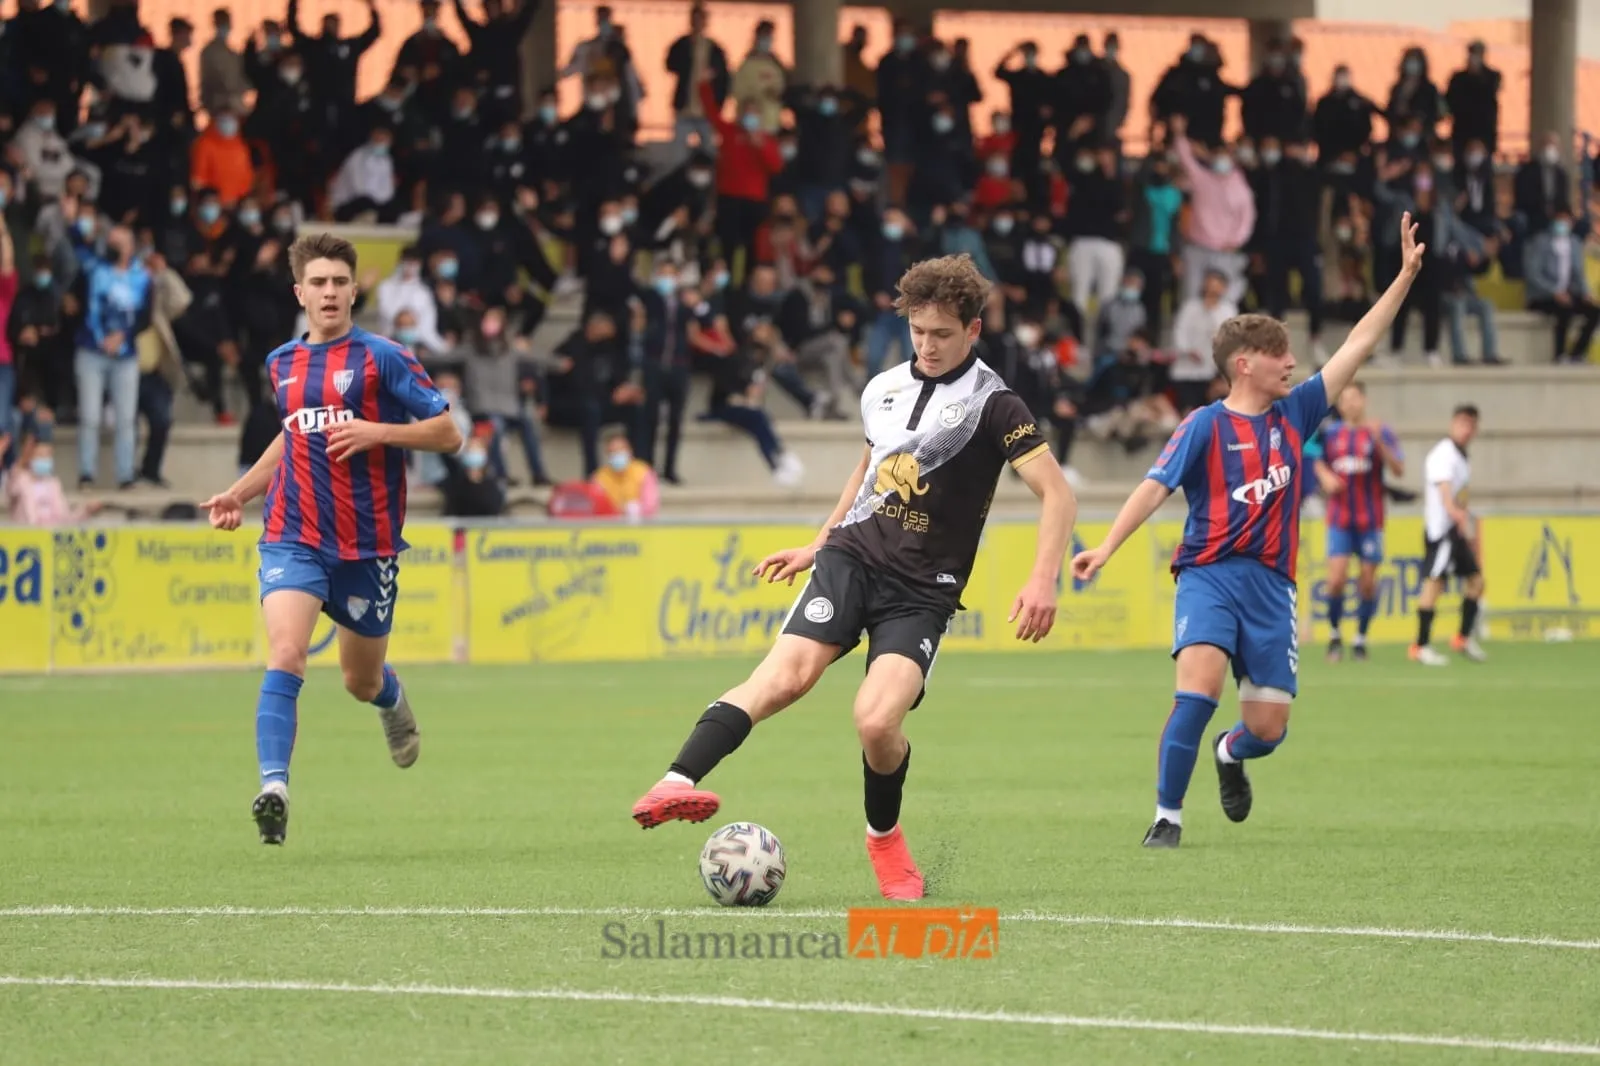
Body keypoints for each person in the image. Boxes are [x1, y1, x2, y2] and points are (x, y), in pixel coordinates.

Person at [629, 254, 1077, 900]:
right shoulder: (884, 388)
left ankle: (883, 838)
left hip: (923, 591)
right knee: (783, 678)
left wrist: (1042, 581)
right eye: (918, 331)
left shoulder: (996, 405)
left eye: (942, 334)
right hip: (853, 560)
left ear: (973, 331)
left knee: (875, 723)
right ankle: (674, 782)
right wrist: (820, 541)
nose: (927, 345)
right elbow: (867, 472)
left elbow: (1057, 495)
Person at [1070, 213, 1426, 849]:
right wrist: (1106, 546)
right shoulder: (1203, 425)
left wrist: (1402, 278)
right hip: (1208, 577)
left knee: (1267, 729)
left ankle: (1230, 755)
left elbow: (1359, 345)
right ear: (1244, 364)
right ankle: (1166, 818)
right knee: (1198, 691)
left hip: (1272, 588)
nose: (1292, 363)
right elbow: (1154, 486)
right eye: (1278, 355)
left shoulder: (1298, 413)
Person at [199, 233, 465, 846]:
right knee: (287, 652)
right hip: (293, 536)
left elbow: (448, 433)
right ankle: (274, 788)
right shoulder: (280, 363)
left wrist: (379, 433)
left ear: (353, 290)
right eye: (317, 283)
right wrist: (240, 493)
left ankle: (391, 700)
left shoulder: (383, 358)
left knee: (358, 681)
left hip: (367, 548)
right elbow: (290, 439)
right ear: (300, 292)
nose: (329, 292)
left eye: (339, 282)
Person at [1314, 382, 1403, 661]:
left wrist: (1378, 442)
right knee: (1336, 579)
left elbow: (1399, 470)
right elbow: (1312, 456)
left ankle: (1361, 638)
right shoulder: (1330, 433)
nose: (1351, 403)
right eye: (1346, 399)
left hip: (1370, 520)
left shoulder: (1380, 431)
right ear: (1340, 404)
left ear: (1363, 400)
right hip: (1339, 518)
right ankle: (1334, 635)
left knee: (1366, 582)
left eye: (1355, 398)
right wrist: (1324, 475)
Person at [1411, 404, 1485, 665]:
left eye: (1471, 425)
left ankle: (1462, 638)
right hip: (1442, 532)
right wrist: (1458, 516)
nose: (1466, 429)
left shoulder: (1462, 455)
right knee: (1434, 584)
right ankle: (1420, 646)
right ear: (1453, 423)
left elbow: (1460, 495)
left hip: (1455, 532)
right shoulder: (1443, 454)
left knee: (1476, 581)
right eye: (1462, 423)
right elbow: (1446, 495)